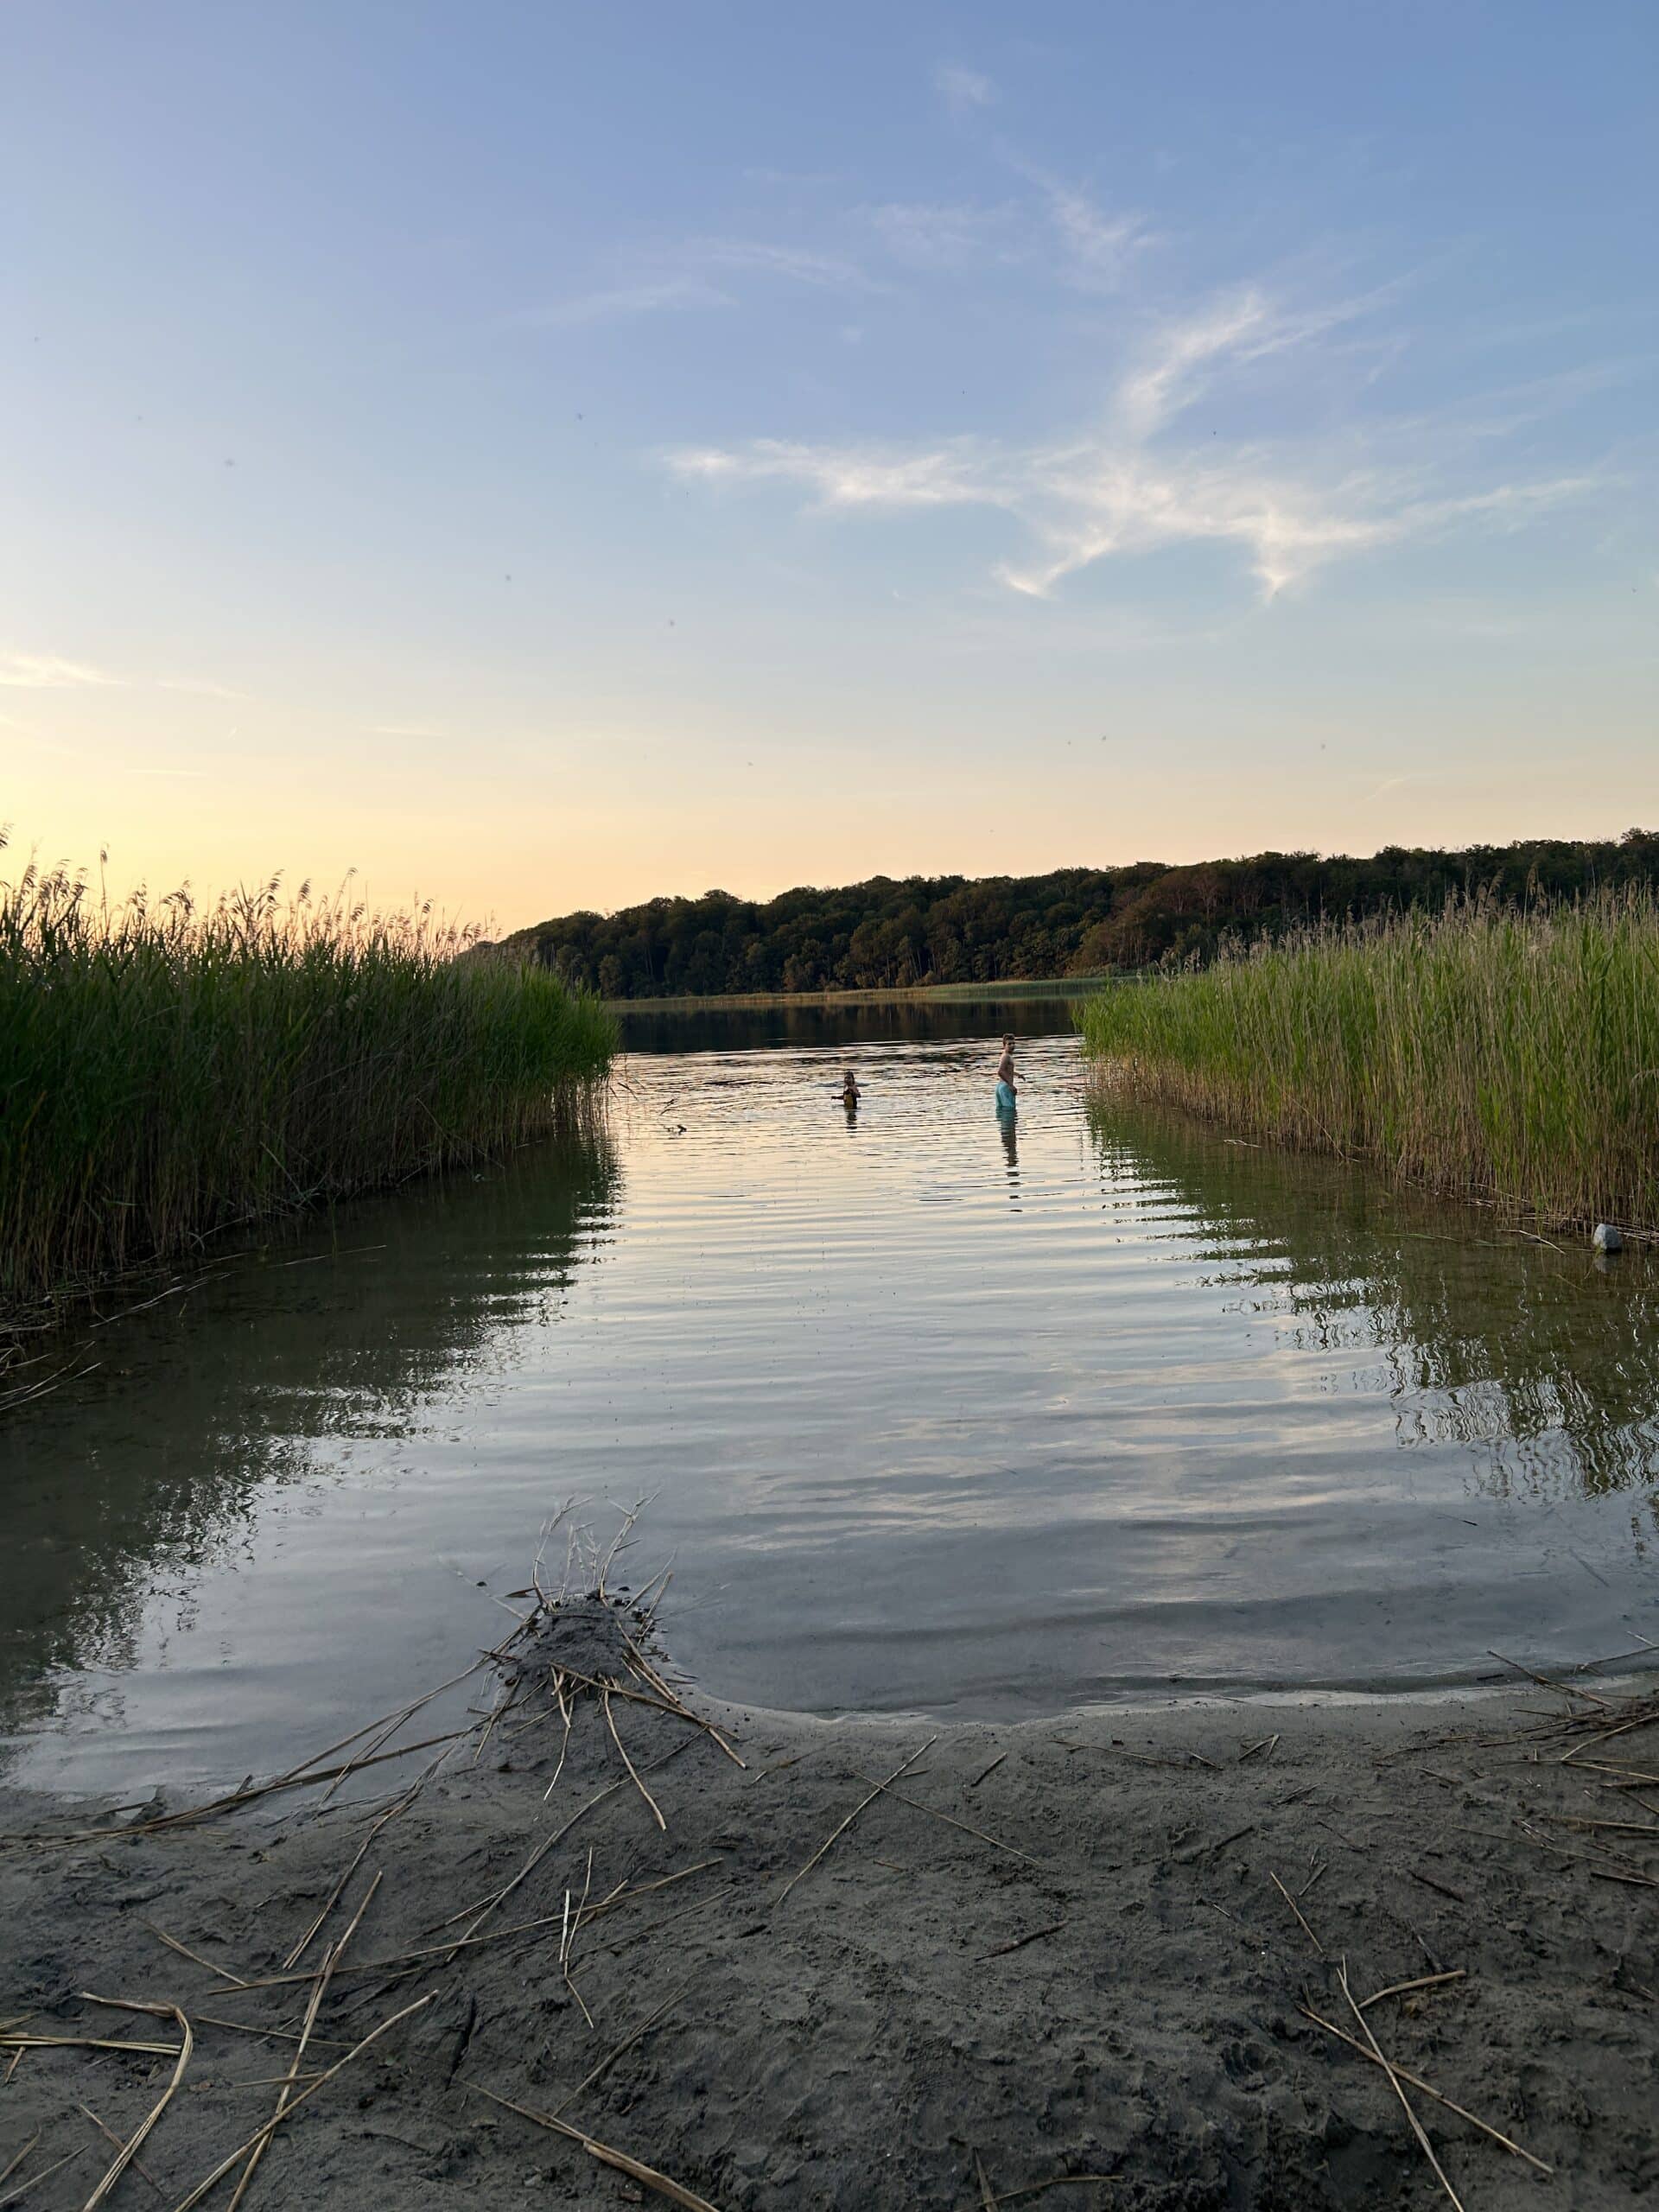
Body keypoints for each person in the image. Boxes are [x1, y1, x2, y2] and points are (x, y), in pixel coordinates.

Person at [995, 1035, 1018, 1116]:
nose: (1012, 1046)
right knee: (1010, 1112)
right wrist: (1011, 1085)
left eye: (1013, 1043)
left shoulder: (1005, 1055)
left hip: (1000, 1086)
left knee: (1002, 1113)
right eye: (1009, 1044)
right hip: (1005, 1087)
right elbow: (1000, 1071)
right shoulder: (1006, 1057)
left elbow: (1005, 1071)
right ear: (1004, 1045)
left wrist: (1017, 1074)